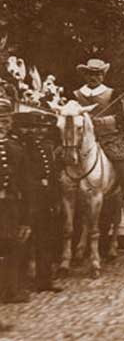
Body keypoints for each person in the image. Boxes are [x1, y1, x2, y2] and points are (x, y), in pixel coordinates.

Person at [73, 59, 124, 211]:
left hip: (107, 136)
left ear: (103, 75)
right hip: (79, 137)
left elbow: (121, 117)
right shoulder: (76, 94)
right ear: (85, 75)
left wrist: (101, 121)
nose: (93, 77)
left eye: (98, 74)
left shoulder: (111, 93)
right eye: (90, 74)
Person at [13, 112, 64, 294]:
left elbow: (51, 176)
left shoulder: (43, 145)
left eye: (37, 127)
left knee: (45, 240)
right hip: (26, 201)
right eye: (29, 127)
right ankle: (21, 282)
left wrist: (55, 198)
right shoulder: (19, 146)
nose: (35, 131)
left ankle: (44, 280)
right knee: (23, 243)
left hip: (44, 199)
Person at [0, 98, 32, 304]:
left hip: (10, 206)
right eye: (0, 121)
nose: (3, 125)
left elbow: (25, 183)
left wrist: (27, 218)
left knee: (12, 245)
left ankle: (10, 291)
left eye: (6, 121)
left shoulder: (16, 148)